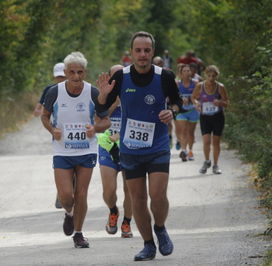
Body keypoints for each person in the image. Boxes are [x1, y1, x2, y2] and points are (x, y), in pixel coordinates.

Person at [97, 31, 182, 261]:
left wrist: (171, 111)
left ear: (152, 52)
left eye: (147, 50)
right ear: (131, 53)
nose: (142, 54)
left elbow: (177, 101)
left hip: (158, 146)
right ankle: (148, 245)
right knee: (138, 200)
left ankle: (161, 228)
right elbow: (102, 112)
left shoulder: (164, 76)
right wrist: (103, 97)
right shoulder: (122, 78)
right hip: (130, 149)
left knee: (158, 194)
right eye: (138, 50)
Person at [41, 52, 110, 248]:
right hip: (62, 151)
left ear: (85, 72)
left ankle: (79, 234)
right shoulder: (54, 92)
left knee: (81, 194)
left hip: (86, 150)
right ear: (65, 72)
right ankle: (68, 213)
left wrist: (95, 128)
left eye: (80, 72)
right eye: (72, 72)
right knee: (66, 196)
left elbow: (106, 120)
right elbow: (45, 116)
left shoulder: (93, 92)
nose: (76, 76)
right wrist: (51, 129)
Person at [97, 64, 133, 238]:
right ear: (110, 78)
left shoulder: (133, 93)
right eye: (115, 75)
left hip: (129, 148)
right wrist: (114, 103)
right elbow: (97, 118)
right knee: (109, 191)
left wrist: (121, 134)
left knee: (130, 190)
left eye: (121, 75)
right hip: (107, 147)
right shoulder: (103, 95)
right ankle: (113, 211)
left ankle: (127, 222)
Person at [33, 62, 68, 209]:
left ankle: (68, 193)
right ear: (54, 77)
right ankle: (61, 194)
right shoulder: (50, 89)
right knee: (62, 165)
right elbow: (40, 105)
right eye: (58, 77)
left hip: (78, 133)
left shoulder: (76, 89)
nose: (60, 79)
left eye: (62, 76)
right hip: (59, 133)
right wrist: (38, 110)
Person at [192, 65, 228, 174]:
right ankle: (207, 161)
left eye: (214, 76)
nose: (211, 78)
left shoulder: (220, 87)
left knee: (216, 142)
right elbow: (193, 97)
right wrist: (197, 103)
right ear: (205, 75)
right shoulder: (200, 86)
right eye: (209, 76)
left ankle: (216, 165)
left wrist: (220, 102)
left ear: (217, 76)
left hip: (218, 117)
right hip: (205, 117)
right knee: (206, 141)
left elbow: (227, 103)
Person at [175, 64, 199, 161]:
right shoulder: (177, 84)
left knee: (191, 132)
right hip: (181, 111)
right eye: (184, 71)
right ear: (180, 74)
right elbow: (174, 97)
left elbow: (199, 96)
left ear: (191, 72)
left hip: (192, 110)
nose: (187, 72)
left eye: (188, 70)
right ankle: (184, 151)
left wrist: (191, 99)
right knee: (183, 130)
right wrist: (180, 100)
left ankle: (190, 151)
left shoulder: (196, 83)